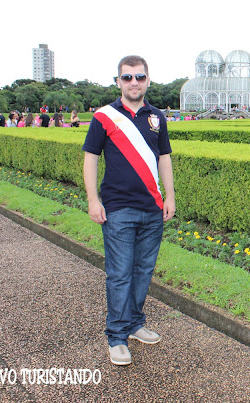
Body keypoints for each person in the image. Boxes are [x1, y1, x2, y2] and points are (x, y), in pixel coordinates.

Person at [82, 55, 175, 366]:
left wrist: (170, 197)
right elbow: (91, 157)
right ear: (118, 81)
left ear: (147, 80)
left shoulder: (157, 117)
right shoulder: (104, 116)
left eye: (139, 77)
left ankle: (135, 324)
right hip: (118, 209)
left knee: (142, 272)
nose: (134, 82)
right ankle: (117, 336)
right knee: (120, 275)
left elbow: (164, 158)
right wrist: (93, 200)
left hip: (152, 208)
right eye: (127, 77)